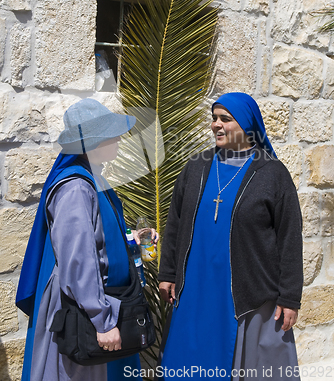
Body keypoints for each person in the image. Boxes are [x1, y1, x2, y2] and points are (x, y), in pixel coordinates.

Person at [158, 92, 303, 380]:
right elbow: (175, 222)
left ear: (247, 125)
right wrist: (168, 272)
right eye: (214, 118)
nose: (216, 125)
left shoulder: (272, 173)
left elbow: (289, 237)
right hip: (196, 287)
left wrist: (290, 297)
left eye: (225, 119)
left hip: (245, 292)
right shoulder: (196, 167)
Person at [16, 98, 158, 381]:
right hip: (86, 310)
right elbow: (78, 259)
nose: (118, 138)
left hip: (105, 302)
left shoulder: (94, 179)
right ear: (94, 141)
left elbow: (99, 237)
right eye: (110, 133)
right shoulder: (75, 188)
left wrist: (131, 237)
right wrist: (103, 322)